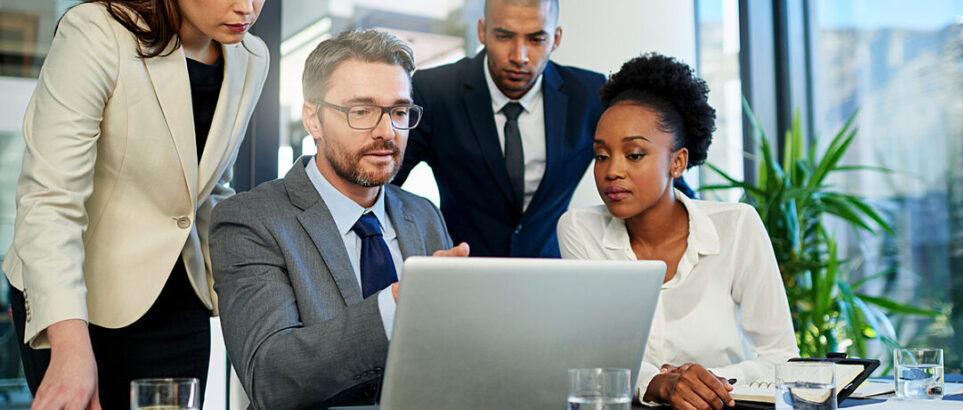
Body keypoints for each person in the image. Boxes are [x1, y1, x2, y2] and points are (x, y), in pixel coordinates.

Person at [2, 1, 269, 408]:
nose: (246, 7)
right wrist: (70, 346)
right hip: (76, 297)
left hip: (179, 295)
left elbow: (210, 186)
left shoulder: (252, 56)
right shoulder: (95, 32)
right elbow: (50, 199)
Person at [209, 29, 469, 410]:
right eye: (361, 111)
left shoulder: (423, 214)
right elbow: (270, 377)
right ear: (313, 119)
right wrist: (396, 305)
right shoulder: (249, 221)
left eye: (399, 111)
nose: (387, 132)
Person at [556, 54, 799, 409]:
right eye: (602, 155)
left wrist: (704, 381)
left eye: (634, 154)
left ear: (678, 162)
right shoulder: (580, 229)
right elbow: (596, 355)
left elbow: (782, 357)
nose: (612, 171)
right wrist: (659, 383)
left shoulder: (736, 226)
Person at [391, 0, 606, 258]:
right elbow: (383, 186)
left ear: (556, 38)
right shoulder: (435, 92)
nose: (519, 56)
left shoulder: (588, 95)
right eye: (504, 36)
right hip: (462, 274)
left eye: (536, 39)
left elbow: (645, 168)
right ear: (483, 31)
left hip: (549, 277)